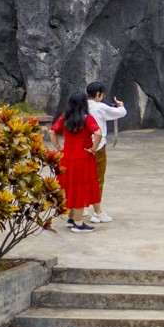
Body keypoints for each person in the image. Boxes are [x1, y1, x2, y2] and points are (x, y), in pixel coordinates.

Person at [47, 90, 103, 232]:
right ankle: (78, 223)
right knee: (80, 189)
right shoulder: (87, 119)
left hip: (67, 158)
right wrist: (93, 149)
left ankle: (71, 218)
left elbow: (52, 131)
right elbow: (98, 133)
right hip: (83, 158)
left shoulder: (65, 117)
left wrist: (58, 147)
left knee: (70, 187)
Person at [85, 81, 127, 224]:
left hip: (82, 147)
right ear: (98, 94)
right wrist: (120, 106)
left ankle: (80, 206)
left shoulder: (81, 106)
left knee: (83, 178)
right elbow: (121, 113)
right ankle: (97, 213)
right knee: (98, 180)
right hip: (97, 147)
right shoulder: (100, 107)